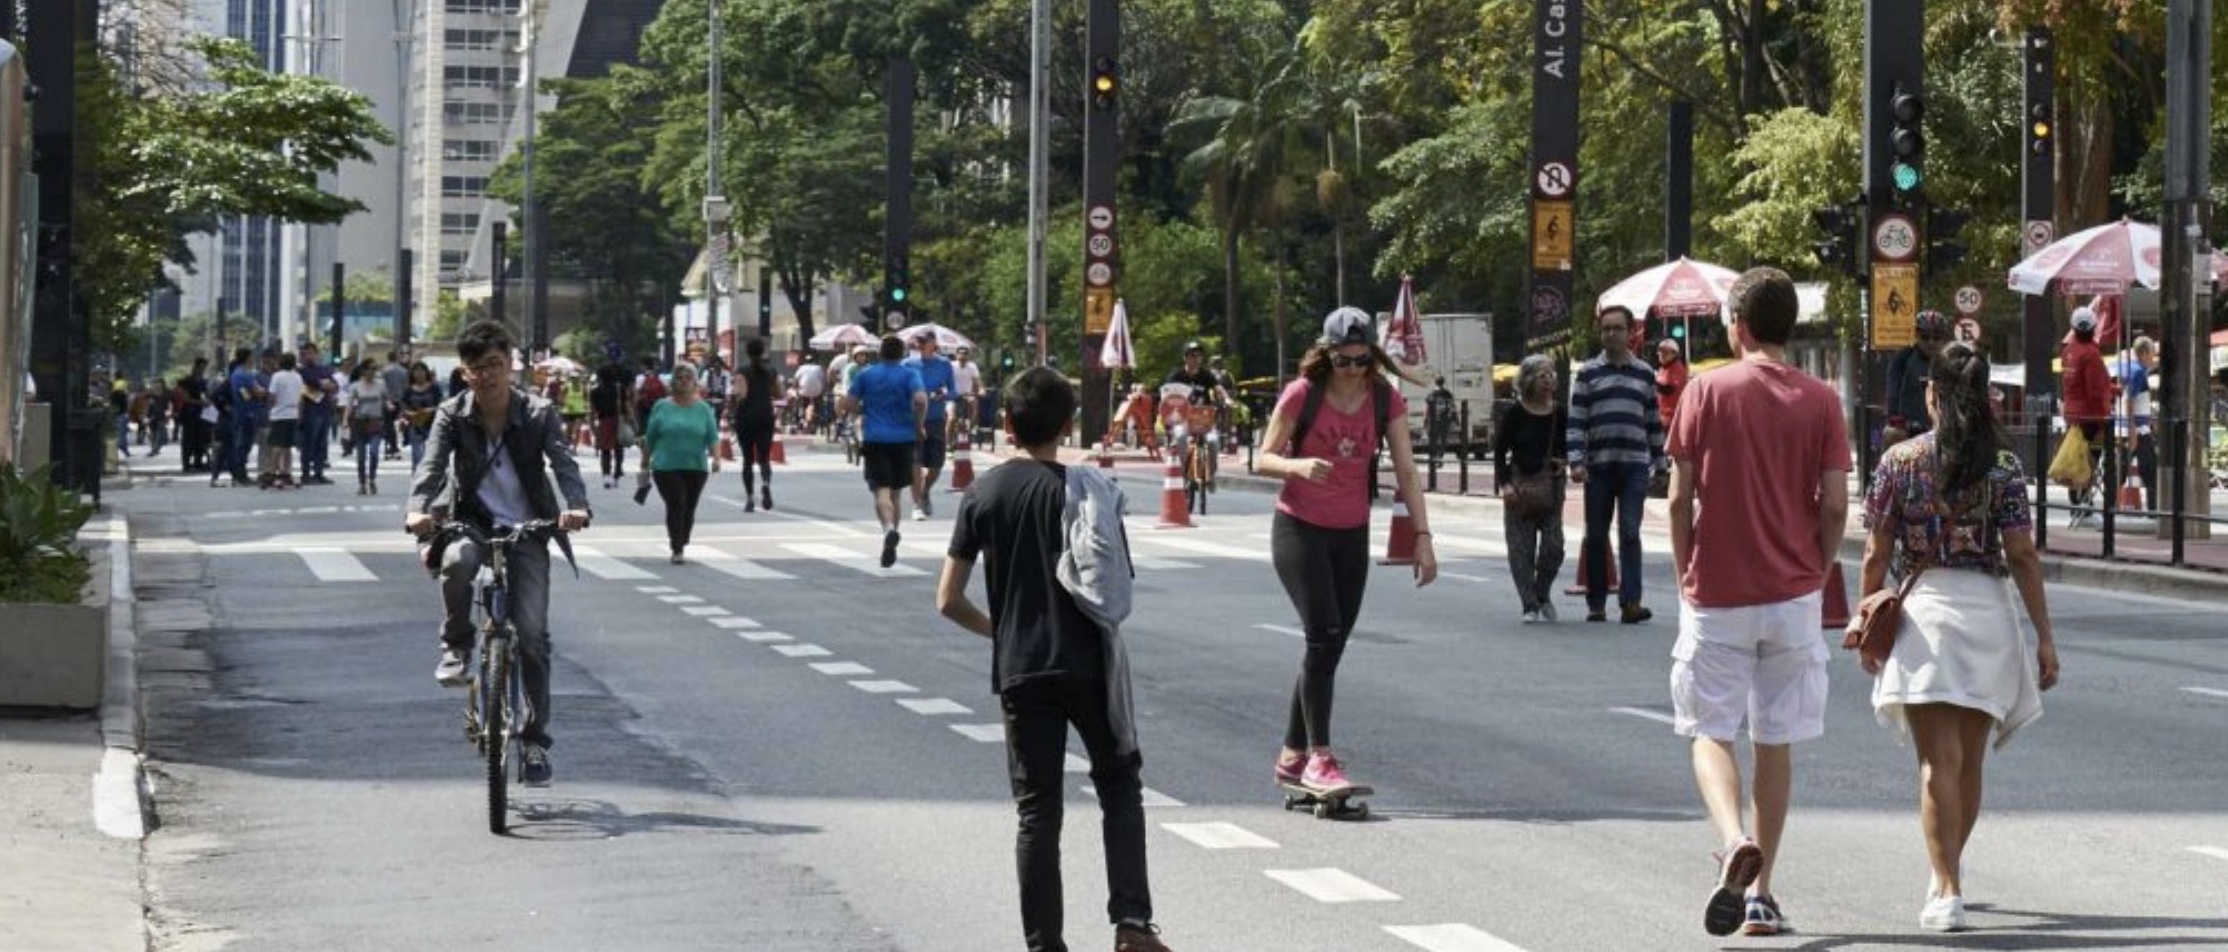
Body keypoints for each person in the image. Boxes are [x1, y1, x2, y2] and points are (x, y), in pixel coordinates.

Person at [935, 366, 1175, 952]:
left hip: (1022, 667)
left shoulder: (983, 493)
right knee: (1119, 785)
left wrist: (1002, 631)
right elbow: (1114, 582)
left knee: (1038, 813)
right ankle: (1132, 924)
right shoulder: (1090, 491)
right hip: (1091, 662)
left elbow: (947, 600)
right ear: (1068, 425)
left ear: (1007, 423)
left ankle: (1045, 944)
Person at [1664, 267, 1851, 938]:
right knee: (1775, 740)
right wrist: (1817, 568)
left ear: (1737, 325)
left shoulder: (1704, 391)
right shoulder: (1821, 400)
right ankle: (1762, 895)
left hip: (1718, 590)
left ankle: (1732, 837)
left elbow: (1680, 497)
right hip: (1793, 592)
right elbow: (1835, 504)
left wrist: (1685, 568)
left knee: (1710, 729)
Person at [1855, 339, 2060, 933]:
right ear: (1985, 393)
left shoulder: (1900, 461)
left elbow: (1876, 552)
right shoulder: (2005, 466)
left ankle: (1946, 888)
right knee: (1968, 764)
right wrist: (2044, 637)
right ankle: (1948, 873)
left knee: (1934, 763)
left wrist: (1866, 615)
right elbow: (2022, 555)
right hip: (1988, 617)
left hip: (1926, 619)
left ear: (1933, 394)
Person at [1254, 307, 1438, 793]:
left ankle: (1292, 754)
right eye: (1344, 361)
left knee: (1331, 644)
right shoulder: (1304, 393)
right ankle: (1320, 757)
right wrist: (1296, 467)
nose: (1353, 370)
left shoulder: (1383, 399)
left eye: (1362, 361)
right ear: (1328, 354)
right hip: (1299, 529)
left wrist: (1423, 538)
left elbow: (1407, 471)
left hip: (1351, 531)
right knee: (1323, 637)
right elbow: (1263, 458)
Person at [406, 321, 592, 787]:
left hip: (528, 526)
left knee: (532, 638)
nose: (486, 375)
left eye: (494, 364)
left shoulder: (538, 412)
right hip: (472, 521)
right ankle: (456, 644)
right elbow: (431, 466)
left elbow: (563, 463)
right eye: (476, 368)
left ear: (510, 364)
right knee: (457, 562)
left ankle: (534, 742)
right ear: (464, 372)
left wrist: (575, 506)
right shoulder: (452, 414)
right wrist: (417, 510)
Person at [1567, 304, 1666, 624]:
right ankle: (1596, 603)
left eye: (1617, 328)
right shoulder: (1588, 373)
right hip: (1598, 466)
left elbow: (1653, 421)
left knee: (1630, 533)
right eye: (1606, 328)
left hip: (1634, 466)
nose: (1611, 334)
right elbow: (1576, 421)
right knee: (1596, 536)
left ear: (1630, 332)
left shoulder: (1644, 373)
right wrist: (1576, 461)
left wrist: (1661, 462)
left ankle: (1631, 602)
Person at [842, 335, 927, 568]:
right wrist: (919, 425)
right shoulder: (910, 374)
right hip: (904, 438)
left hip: (875, 438)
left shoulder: (866, 375)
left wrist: (863, 410)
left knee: (881, 491)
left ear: (880, 353)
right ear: (902, 354)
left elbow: (849, 402)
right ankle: (892, 540)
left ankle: (888, 529)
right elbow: (920, 400)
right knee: (896, 493)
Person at [1495, 355, 1566, 623]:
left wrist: (1565, 461)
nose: (1548, 381)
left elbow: (1570, 445)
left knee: (1554, 547)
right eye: (1542, 376)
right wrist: (1505, 484)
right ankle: (1529, 604)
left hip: (1551, 487)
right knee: (1520, 550)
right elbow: (1500, 452)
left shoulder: (1559, 412)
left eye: (1551, 375)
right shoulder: (1514, 413)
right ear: (1528, 380)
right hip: (1520, 486)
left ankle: (1542, 592)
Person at [638, 362, 720, 563]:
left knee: (689, 508)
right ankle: (677, 548)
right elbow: (651, 437)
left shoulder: (703, 409)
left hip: (696, 466)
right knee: (677, 502)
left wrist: (716, 458)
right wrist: (645, 462)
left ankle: (682, 539)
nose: (683, 382)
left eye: (688, 378)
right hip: (665, 466)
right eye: (679, 378)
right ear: (673, 381)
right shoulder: (662, 406)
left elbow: (712, 437)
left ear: (695, 382)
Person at [2059, 306, 2111, 526]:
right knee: (2090, 461)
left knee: (2076, 458)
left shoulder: (2068, 352)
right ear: (2094, 328)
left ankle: (2077, 504)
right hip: (2092, 418)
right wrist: (2104, 416)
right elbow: (2095, 391)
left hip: (2072, 415)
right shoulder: (2091, 354)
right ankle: (2084, 507)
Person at [905, 331, 957, 520]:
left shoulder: (944, 364)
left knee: (936, 465)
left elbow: (953, 392)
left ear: (933, 343)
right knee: (915, 463)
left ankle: (925, 490)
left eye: (924, 341)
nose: (920, 344)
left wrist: (942, 395)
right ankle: (917, 504)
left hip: (936, 419)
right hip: (914, 419)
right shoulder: (908, 364)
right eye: (918, 341)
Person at [1883, 310, 1950, 447]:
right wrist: (1897, 420)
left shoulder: (1951, 361)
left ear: (1944, 338)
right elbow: (1893, 392)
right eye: (1925, 337)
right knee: (1891, 434)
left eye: (1937, 337)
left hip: (1945, 430)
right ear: (1917, 336)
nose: (1931, 342)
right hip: (1910, 429)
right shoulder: (1903, 358)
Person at [731, 338, 780, 512]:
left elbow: (740, 394)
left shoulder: (742, 372)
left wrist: (732, 404)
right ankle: (765, 484)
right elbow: (779, 392)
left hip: (746, 418)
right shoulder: (771, 371)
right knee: (764, 458)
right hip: (765, 416)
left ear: (747, 352)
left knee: (747, 460)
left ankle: (750, 498)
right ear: (762, 351)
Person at [2115, 335, 2159, 513]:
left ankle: (2109, 508)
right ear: (2145, 353)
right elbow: (2129, 400)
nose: (2153, 358)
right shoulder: (2138, 372)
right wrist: (2133, 430)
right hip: (2137, 431)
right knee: (2150, 471)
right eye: (2152, 354)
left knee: (2120, 471)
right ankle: (2154, 511)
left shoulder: (2127, 368)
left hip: (2123, 428)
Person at [344, 361, 392, 494]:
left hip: (376, 422)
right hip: (360, 422)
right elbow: (349, 404)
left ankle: (372, 479)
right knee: (361, 456)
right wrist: (345, 419)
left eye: (375, 369)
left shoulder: (381, 385)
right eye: (371, 369)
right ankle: (362, 483)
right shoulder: (355, 386)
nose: (373, 372)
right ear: (363, 371)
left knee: (374, 452)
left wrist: (389, 405)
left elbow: (386, 399)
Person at [297, 342, 337, 484]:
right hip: (310, 410)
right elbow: (312, 383)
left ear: (316, 354)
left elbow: (334, 385)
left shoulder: (324, 369)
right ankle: (305, 473)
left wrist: (324, 385)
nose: (309, 356)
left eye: (311, 353)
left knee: (322, 443)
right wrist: (323, 384)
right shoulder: (301, 371)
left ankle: (319, 472)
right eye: (305, 353)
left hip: (324, 409)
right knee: (309, 443)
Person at [263, 352, 304, 489]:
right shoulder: (298, 377)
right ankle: (286, 472)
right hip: (293, 413)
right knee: (287, 446)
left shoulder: (277, 376)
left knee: (276, 445)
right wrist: (299, 414)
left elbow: (272, 396)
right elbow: (301, 397)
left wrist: (270, 408)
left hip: (279, 414)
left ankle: (272, 473)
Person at [400, 361, 444, 473]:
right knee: (417, 454)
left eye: (421, 371)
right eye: (416, 371)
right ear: (412, 374)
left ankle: (429, 476)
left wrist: (430, 410)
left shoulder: (434, 387)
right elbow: (403, 406)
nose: (419, 374)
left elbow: (442, 404)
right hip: (415, 424)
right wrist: (409, 413)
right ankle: (417, 476)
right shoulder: (408, 390)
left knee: (430, 453)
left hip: (432, 425)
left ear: (426, 372)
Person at [179, 357, 213, 472]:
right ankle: (186, 464)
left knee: (200, 438)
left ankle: (198, 461)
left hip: (201, 413)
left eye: (204, 368)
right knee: (188, 439)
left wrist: (207, 401)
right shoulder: (187, 381)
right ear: (196, 367)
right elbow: (185, 398)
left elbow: (205, 395)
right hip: (189, 413)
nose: (202, 370)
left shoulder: (203, 381)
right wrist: (201, 402)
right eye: (201, 367)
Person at [949, 343, 984, 442]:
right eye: (960, 353)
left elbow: (978, 381)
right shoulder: (951, 366)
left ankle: (969, 429)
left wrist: (981, 389)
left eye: (965, 353)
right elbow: (945, 380)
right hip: (953, 395)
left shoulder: (972, 367)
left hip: (967, 395)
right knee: (951, 418)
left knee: (974, 404)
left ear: (968, 355)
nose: (962, 355)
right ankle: (947, 441)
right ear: (956, 355)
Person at [1655, 338, 1689, 431]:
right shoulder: (1663, 368)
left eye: (1666, 352)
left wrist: (1652, 382)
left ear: (1675, 354)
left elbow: (1669, 389)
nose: (1662, 355)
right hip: (1662, 417)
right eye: (1660, 351)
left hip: (1673, 419)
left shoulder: (1677, 367)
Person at [1424, 377, 1457, 465]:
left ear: (1435, 383)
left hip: (1434, 420)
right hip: (1444, 420)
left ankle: (1434, 457)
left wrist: (1425, 419)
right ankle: (1440, 456)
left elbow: (1428, 407)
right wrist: (1455, 419)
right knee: (1443, 440)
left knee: (1433, 440)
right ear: (1443, 383)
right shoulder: (1447, 393)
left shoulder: (1432, 393)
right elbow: (1452, 406)